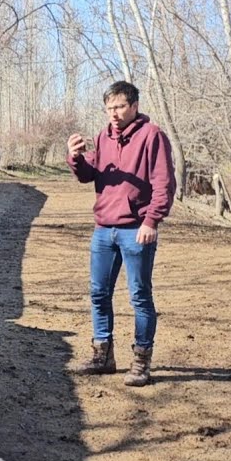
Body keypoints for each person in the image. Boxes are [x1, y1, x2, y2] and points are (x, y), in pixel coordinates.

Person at [66, 80, 176, 387]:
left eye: (120, 107)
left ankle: (141, 361)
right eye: (109, 108)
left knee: (139, 296)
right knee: (99, 292)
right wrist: (75, 157)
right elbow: (89, 175)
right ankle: (103, 356)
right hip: (104, 229)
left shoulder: (152, 136)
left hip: (136, 230)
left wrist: (151, 221)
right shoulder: (103, 137)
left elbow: (164, 183)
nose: (114, 113)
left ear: (134, 106)